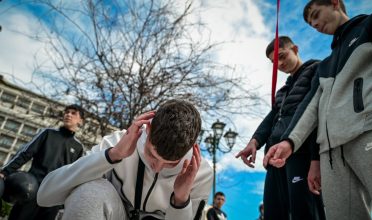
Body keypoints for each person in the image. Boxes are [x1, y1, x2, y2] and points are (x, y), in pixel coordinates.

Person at [264, 1, 372, 219]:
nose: (315, 24)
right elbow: (311, 106)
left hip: (370, 132)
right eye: (310, 23)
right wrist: (289, 142)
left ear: (335, 3)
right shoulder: (325, 66)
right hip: (331, 155)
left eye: (316, 15)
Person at [37, 99, 213, 220]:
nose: (157, 167)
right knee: (91, 190)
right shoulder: (118, 142)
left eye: (171, 163)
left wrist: (181, 201)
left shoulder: (200, 173)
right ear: (147, 129)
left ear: (192, 148)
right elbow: (45, 195)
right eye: (152, 154)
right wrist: (112, 156)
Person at [236, 36, 325, 220]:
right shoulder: (282, 91)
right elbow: (271, 118)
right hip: (274, 157)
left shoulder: (317, 69)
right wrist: (255, 141)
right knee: (273, 213)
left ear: (295, 48)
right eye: (274, 62)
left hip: (301, 154)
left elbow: (317, 114)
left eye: (282, 56)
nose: (280, 64)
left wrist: (316, 158)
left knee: (304, 213)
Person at [0, 104, 84, 220]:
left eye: (73, 113)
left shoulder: (79, 147)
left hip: (54, 197)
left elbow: (75, 175)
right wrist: (5, 171)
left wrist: (65, 202)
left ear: (80, 121)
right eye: (66, 112)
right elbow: (25, 153)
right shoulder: (48, 133)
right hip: (32, 189)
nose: (68, 115)